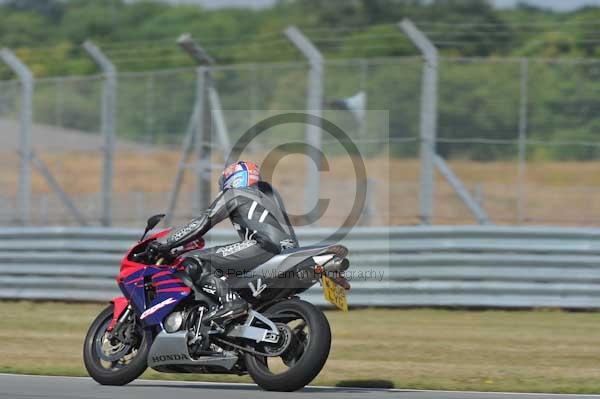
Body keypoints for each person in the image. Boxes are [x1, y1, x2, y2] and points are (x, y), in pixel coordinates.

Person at [149, 161, 298, 322]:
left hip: (264, 246)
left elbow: (202, 222)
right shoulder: (270, 195)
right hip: (291, 251)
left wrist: (167, 243)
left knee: (194, 260)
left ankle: (231, 303)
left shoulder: (235, 193)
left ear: (234, 178)